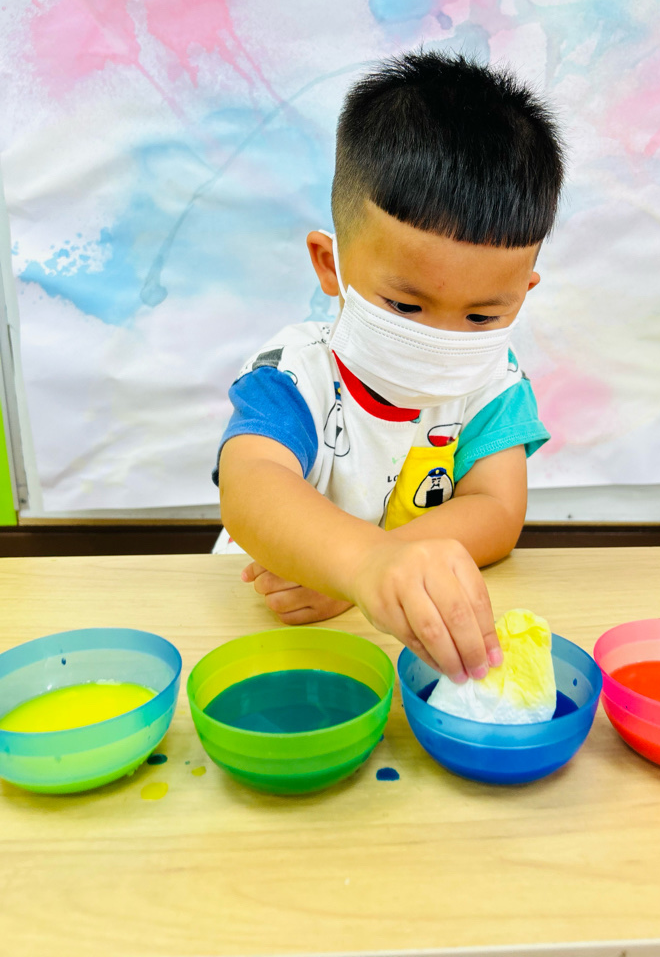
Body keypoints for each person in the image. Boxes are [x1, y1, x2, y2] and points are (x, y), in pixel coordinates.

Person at [214, 49, 564, 686]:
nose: (440, 340)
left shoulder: (494, 383)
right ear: (331, 266)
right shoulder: (295, 375)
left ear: (523, 293)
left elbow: (496, 509)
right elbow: (250, 485)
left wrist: (369, 573)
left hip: (382, 635)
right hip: (267, 627)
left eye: (482, 315)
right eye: (405, 305)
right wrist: (359, 567)